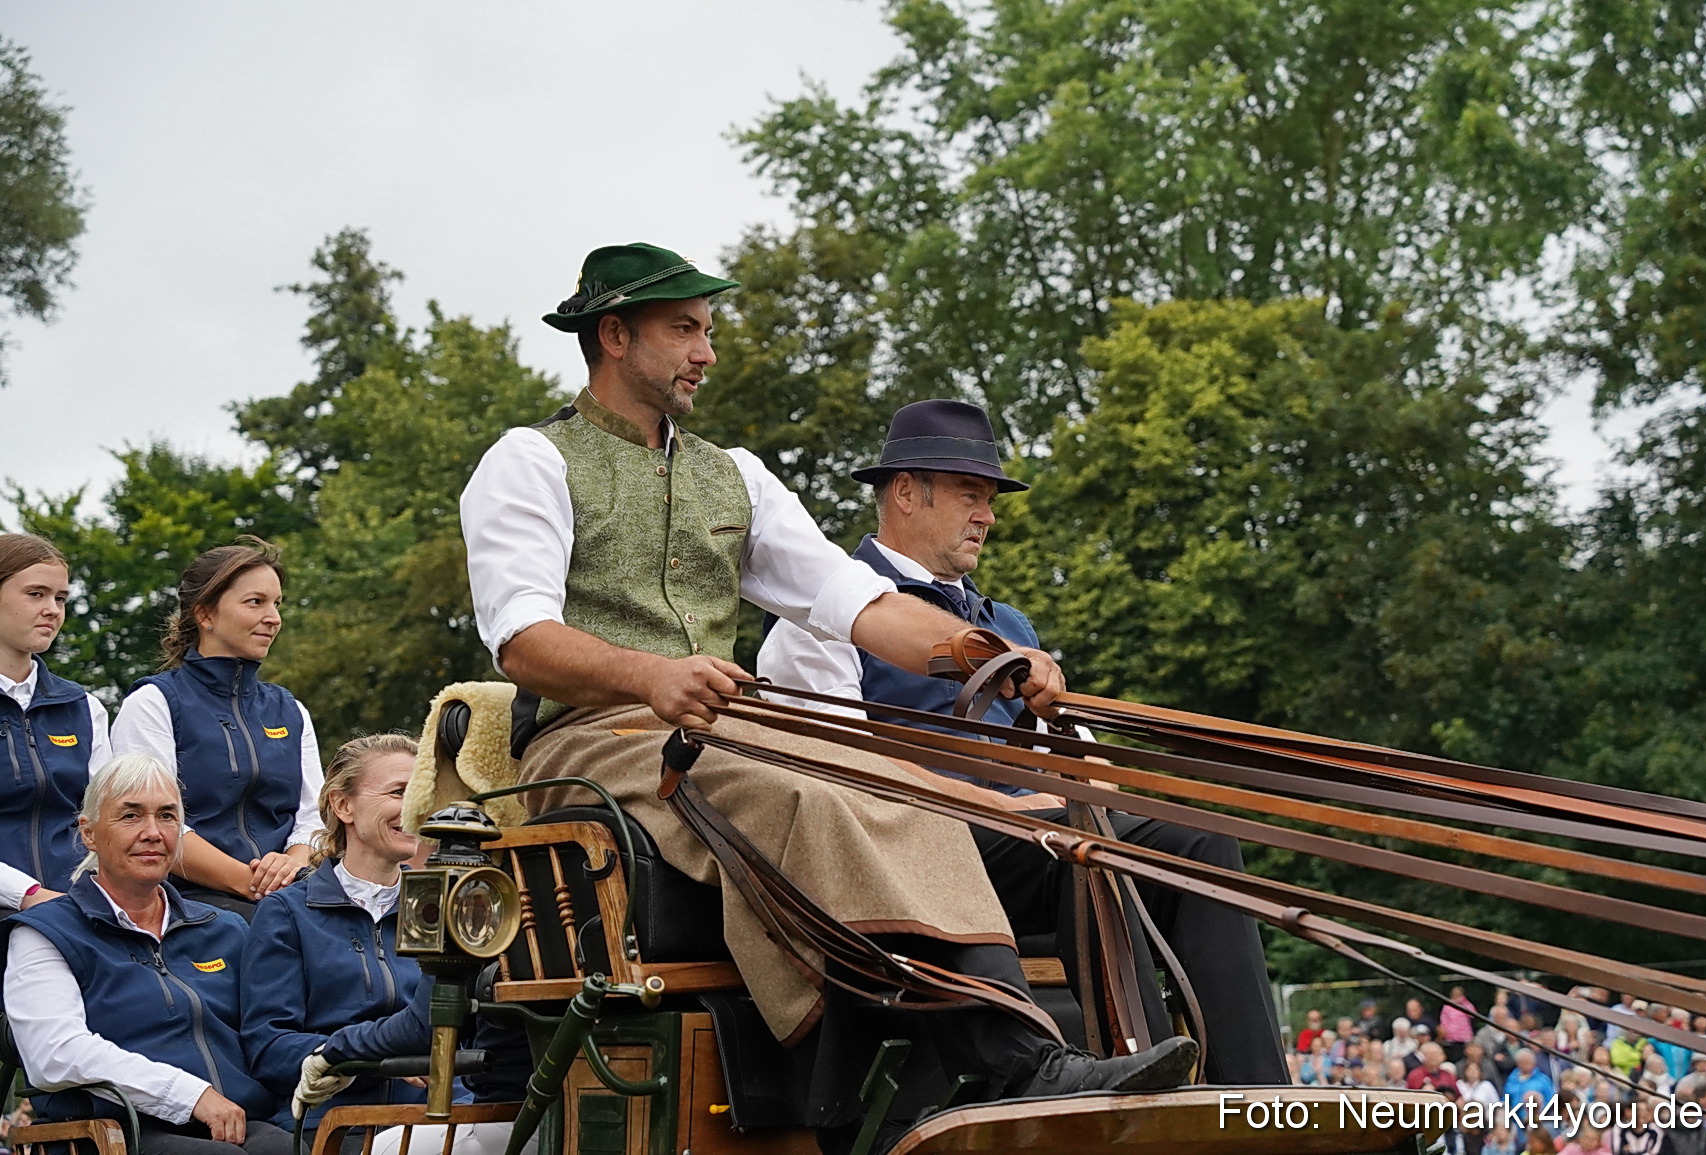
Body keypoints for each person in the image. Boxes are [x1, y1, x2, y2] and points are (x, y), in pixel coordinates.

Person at [457, 243, 1197, 1131]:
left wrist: (980, 650)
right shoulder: (531, 460)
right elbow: (522, 639)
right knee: (805, 786)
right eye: (686, 329)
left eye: (708, 330)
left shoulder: (734, 472)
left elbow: (856, 602)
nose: (708, 351)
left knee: (890, 776)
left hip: (722, 725)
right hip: (596, 738)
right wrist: (653, 674)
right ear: (613, 335)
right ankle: (1010, 1062)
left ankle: (956, 1059)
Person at [756, 397, 1287, 1084]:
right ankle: (1139, 1084)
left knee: (1200, 841)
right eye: (971, 494)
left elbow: (1087, 764)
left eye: (990, 498)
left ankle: (1262, 1097)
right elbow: (836, 776)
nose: (989, 514)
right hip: (913, 855)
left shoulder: (1012, 626)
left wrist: (1073, 795)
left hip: (1038, 839)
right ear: (907, 492)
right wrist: (1020, 811)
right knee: (1086, 847)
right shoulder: (820, 619)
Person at [1, 753, 292, 1155]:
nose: (153, 832)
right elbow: (56, 1053)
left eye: (168, 816)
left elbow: (274, 1030)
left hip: (242, 1122)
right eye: (131, 816)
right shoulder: (46, 933)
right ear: (89, 833)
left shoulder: (224, 929)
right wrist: (189, 1095)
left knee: (287, 1148)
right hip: (112, 1134)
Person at [241, 734, 446, 1141]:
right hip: (336, 1127)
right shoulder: (287, 913)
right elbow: (269, 1049)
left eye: (421, 793)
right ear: (343, 805)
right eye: (398, 792)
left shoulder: (439, 907)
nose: (415, 808)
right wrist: (378, 1052)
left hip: (439, 1116)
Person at [111, 539, 321, 919]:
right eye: (255, 602)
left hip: (290, 895)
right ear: (205, 614)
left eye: (277, 603)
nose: (273, 617)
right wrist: (251, 883)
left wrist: (294, 863)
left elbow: (313, 815)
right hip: (187, 904)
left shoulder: (291, 710)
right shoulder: (152, 704)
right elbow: (149, 825)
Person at [0, 533, 112, 911]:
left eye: (60, 598)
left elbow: (108, 822)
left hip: (78, 911)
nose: (53, 609)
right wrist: (27, 895)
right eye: (36, 594)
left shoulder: (85, 708)